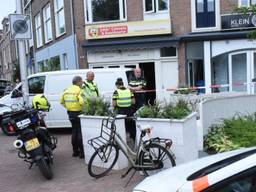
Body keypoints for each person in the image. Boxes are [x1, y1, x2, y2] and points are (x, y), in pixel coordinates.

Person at [60, 76, 85, 158]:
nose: (82, 83)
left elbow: (61, 102)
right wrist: (84, 107)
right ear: (78, 82)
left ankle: (75, 152)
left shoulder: (66, 90)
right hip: (78, 112)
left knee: (74, 131)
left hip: (70, 113)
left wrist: (68, 107)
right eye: (81, 81)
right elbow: (82, 102)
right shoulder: (79, 90)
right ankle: (82, 153)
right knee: (80, 132)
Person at [113, 78, 136, 143]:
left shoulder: (116, 92)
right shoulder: (129, 91)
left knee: (122, 127)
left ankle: (124, 142)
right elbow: (133, 102)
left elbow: (114, 104)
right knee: (131, 127)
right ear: (123, 84)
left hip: (121, 112)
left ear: (117, 85)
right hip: (129, 111)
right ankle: (134, 141)